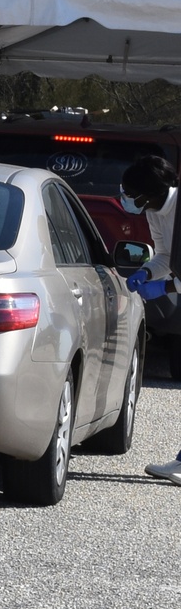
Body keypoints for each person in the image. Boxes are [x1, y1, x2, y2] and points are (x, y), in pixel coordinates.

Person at [119, 156, 181, 483]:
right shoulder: (155, 211)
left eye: (130, 192)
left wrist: (166, 287)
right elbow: (167, 256)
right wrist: (146, 271)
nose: (127, 198)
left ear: (150, 191)